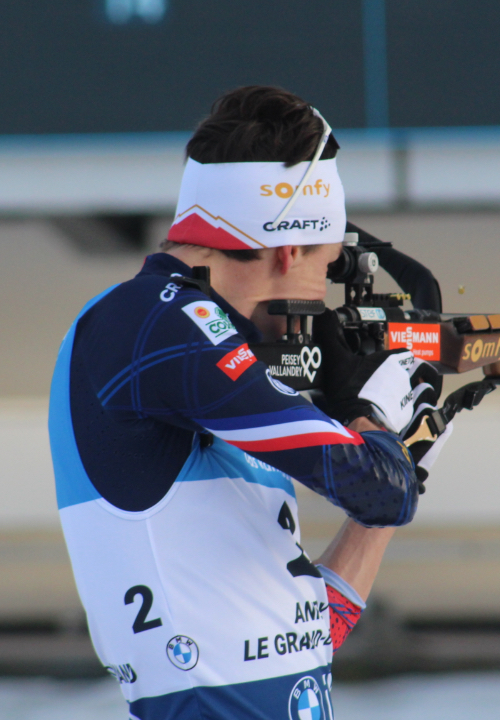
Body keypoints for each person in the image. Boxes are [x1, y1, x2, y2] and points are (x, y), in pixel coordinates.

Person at [48, 86, 450, 720]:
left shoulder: (202, 356)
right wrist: (366, 418)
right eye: (326, 265)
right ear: (289, 248)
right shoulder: (153, 324)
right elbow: (381, 490)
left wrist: (407, 444)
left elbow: (302, 639)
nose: (322, 297)